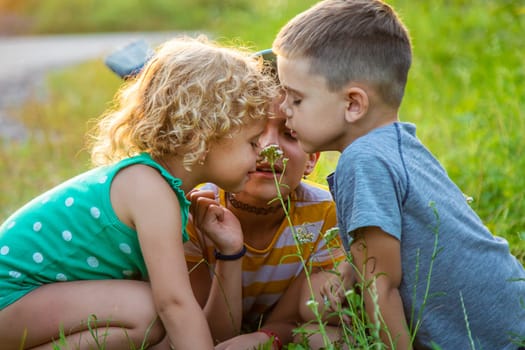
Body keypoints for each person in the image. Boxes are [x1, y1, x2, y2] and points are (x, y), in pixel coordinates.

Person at [272, 0, 525, 349]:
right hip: (513, 313)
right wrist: (350, 268)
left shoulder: (360, 161)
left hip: (482, 340)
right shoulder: (400, 143)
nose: (284, 109)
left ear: (353, 104)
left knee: (313, 337)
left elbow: (382, 286)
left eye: (296, 99)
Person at [0, 36, 278, 350]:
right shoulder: (150, 190)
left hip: (24, 304)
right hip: (10, 296)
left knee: (154, 328)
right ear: (205, 135)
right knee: (149, 311)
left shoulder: (161, 188)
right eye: (253, 142)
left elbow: (189, 319)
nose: (262, 154)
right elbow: (174, 303)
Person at [184, 49, 347, 350]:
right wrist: (229, 252)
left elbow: (291, 320)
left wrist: (266, 339)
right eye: (254, 133)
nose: (269, 147)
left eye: (290, 133)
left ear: (312, 158)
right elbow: (210, 337)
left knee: (325, 336)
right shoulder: (194, 210)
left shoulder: (325, 215)